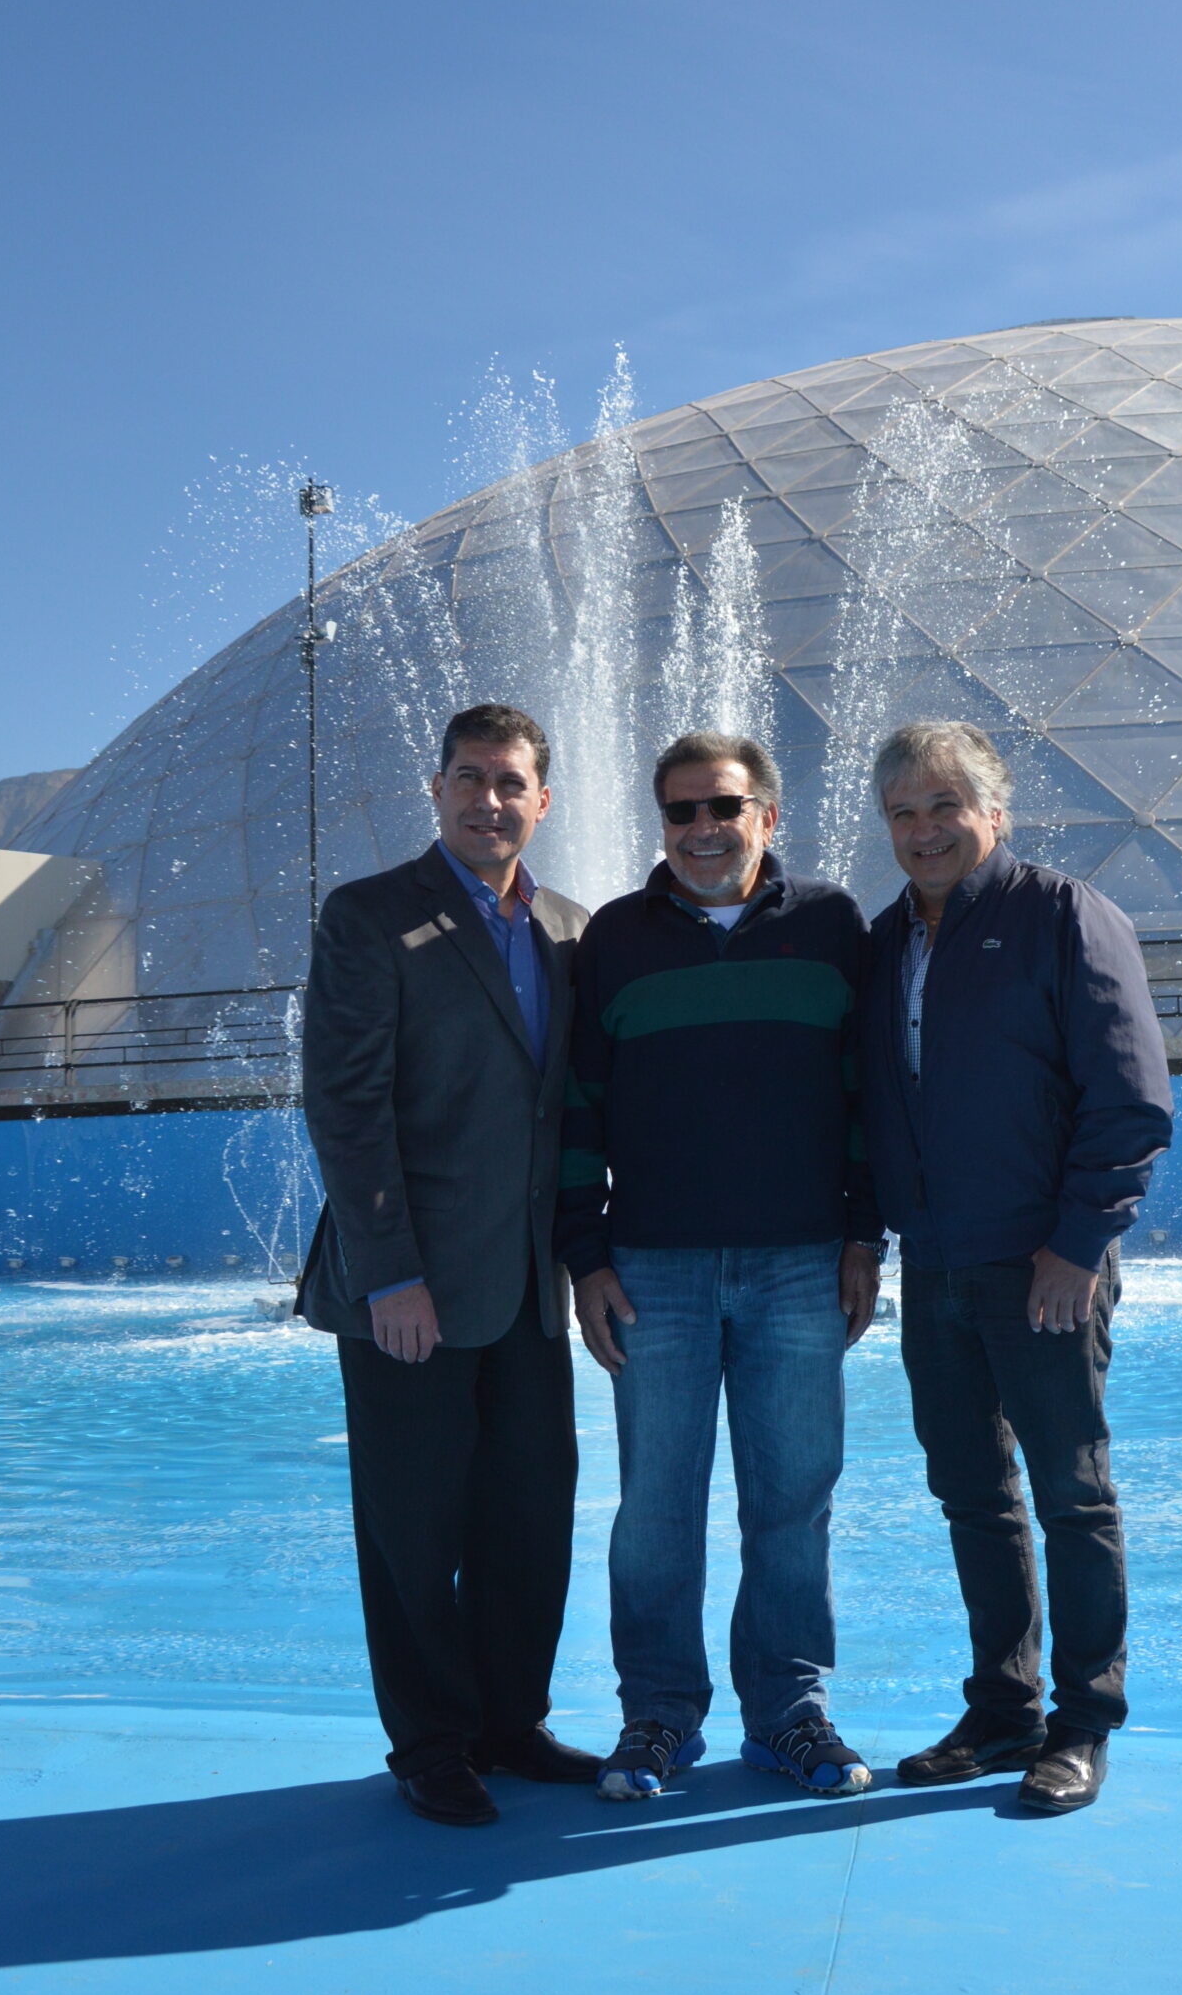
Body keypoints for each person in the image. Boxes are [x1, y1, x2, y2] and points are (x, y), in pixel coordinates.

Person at [556, 732, 884, 1803]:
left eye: (724, 807)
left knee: (793, 1500)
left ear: (767, 817)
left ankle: (788, 1711)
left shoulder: (832, 925)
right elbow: (578, 1110)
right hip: (654, 1269)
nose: (703, 829)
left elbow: (868, 1095)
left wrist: (862, 1237)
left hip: (800, 1264)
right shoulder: (615, 938)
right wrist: (585, 1256)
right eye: (681, 811)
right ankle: (657, 1713)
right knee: (656, 1507)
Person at [859, 721, 1172, 1816]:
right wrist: (869, 1241)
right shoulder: (884, 940)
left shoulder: (1063, 915)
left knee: (1071, 1495)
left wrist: (1077, 1245)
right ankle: (1003, 1709)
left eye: (945, 805)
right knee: (971, 1496)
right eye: (902, 812)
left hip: (1041, 1261)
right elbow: (872, 1107)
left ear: (995, 811)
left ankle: (1083, 1720)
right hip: (934, 1264)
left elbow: (1129, 1098)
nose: (924, 830)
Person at [297, 702, 599, 1825]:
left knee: (531, 1512)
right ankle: (430, 1743)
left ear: (542, 800)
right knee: (414, 1527)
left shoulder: (570, 928)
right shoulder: (371, 915)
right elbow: (346, 1106)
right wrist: (390, 1274)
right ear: (436, 790)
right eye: (469, 778)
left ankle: (509, 1722)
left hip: (526, 1286)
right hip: (408, 1288)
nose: (489, 800)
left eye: (510, 782)